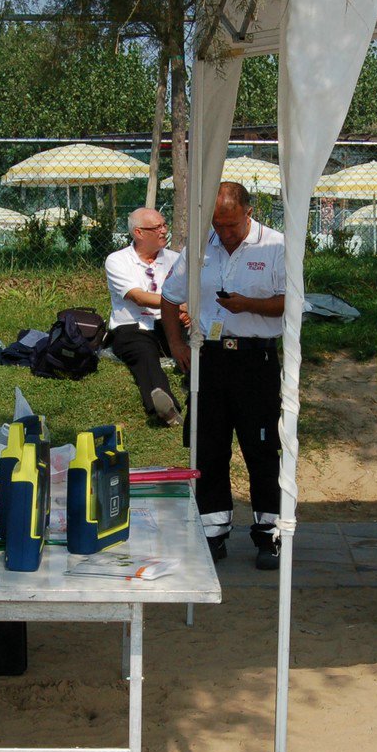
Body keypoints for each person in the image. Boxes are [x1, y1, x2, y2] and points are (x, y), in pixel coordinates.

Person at [160, 182, 285, 570]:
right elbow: (169, 296)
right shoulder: (200, 246)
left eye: (232, 224)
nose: (225, 233)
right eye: (219, 224)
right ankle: (212, 532)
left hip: (256, 360)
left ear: (250, 211)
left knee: (261, 447)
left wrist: (247, 305)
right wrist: (177, 345)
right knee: (209, 446)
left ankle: (270, 533)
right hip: (210, 357)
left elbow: (290, 301)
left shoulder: (276, 245)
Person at [104, 207, 183, 426]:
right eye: (157, 227)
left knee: (202, 343)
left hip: (167, 323)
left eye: (165, 225)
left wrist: (187, 312)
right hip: (132, 326)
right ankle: (166, 409)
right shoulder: (117, 260)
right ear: (139, 233)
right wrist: (180, 306)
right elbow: (138, 297)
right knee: (143, 354)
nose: (164, 231)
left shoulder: (177, 260)